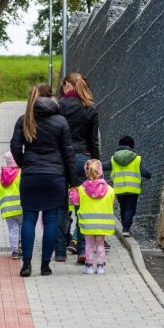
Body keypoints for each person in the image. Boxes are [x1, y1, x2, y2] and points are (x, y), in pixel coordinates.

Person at [10, 84, 77, 277]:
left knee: (29, 219)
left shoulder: (25, 120)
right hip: (55, 177)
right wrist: (73, 180)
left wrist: (24, 164)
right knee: (50, 221)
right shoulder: (61, 121)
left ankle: (27, 265)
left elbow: (15, 147)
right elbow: (68, 152)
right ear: (51, 99)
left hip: (31, 176)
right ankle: (46, 265)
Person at [58, 72, 99, 263]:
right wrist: (95, 164)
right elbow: (93, 141)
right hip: (84, 158)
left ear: (67, 84)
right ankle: (83, 249)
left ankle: (59, 251)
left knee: (60, 206)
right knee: (83, 206)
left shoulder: (59, 106)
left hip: (62, 158)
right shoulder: (91, 108)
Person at [69, 159, 115, 275]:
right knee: (100, 245)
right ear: (100, 171)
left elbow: (75, 202)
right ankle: (100, 267)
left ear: (86, 171)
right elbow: (112, 202)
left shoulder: (81, 189)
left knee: (88, 244)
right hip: (103, 224)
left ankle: (89, 267)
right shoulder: (110, 189)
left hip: (87, 223)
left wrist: (72, 192)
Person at [104, 135, 151, 236]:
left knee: (123, 207)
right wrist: (148, 175)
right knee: (130, 208)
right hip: (133, 188)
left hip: (119, 188)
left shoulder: (114, 159)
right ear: (131, 146)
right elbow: (144, 172)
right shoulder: (137, 159)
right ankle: (126, 228)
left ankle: (124, 227)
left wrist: (93, 165)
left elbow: (104, 166)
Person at [0, 151, 22, 259]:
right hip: (20, 208)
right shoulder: (20, 174)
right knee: (22, 227)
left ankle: (15, 251)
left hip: (7, 209)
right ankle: (21, 245)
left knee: (12, 229)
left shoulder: (2, 176)